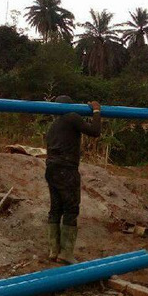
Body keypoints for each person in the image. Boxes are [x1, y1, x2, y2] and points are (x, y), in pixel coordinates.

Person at [45, 95, 101, 263]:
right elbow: (95, 131)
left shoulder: (53, 126)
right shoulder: (71, 117)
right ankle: (66, 253)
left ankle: (54, 251)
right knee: (71, 209)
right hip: (67, 169)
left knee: (56, 208)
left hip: (51, 168)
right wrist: (96, 111)